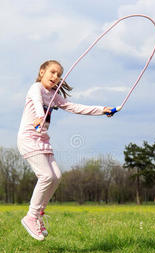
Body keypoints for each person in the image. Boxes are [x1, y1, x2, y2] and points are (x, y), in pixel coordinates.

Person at [17, 60, 117, 241]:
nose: (55, 77)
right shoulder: (36, 88)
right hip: (28, 139)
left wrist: (102, 110)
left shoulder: (54, 96)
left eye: (58, 75)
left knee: (56, 176)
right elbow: (38, 103)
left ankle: (38, 214)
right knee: (46, 176)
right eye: (52, 72)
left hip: (42, 140)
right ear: (42, 72)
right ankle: (30, 217)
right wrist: (40, 116)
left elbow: (75, 107)